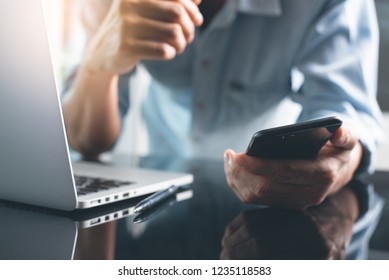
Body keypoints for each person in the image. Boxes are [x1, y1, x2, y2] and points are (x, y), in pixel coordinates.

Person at [62, 0, 385, 210]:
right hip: (160, 203)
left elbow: (344, 108)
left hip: (274, 208)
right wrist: (98, 67)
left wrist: (338, 160)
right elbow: (87, 140)